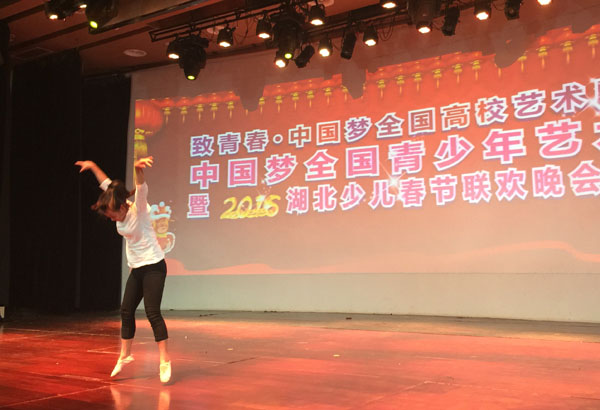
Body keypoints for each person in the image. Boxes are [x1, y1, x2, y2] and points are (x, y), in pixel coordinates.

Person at [75, 156, 171, 384]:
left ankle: (164, 361)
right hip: (137, 268)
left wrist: (137, 169)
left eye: (112, 216)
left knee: (152, 312)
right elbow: (106, 184)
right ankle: (125, 355)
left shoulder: (139, 210)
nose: (111, 220)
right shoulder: (114, 199)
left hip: (154, 266)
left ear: (122, 207)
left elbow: (140, 186)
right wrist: (93, 166)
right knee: (126, 311)